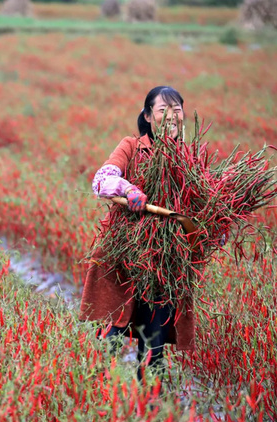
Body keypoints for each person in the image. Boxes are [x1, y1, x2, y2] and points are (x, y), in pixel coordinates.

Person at [79, 86, 195, 381]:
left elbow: (199, 209)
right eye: (163, 111)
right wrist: (128, 188)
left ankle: (150, 412)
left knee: (154, 347)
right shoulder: (131, 146)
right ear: (147, 116)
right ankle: (96, 401)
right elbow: (101, 180)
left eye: (177, 110)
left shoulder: (189, 158)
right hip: (123, 258)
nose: (171, 116)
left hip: (163, 263)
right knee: (110, 337)